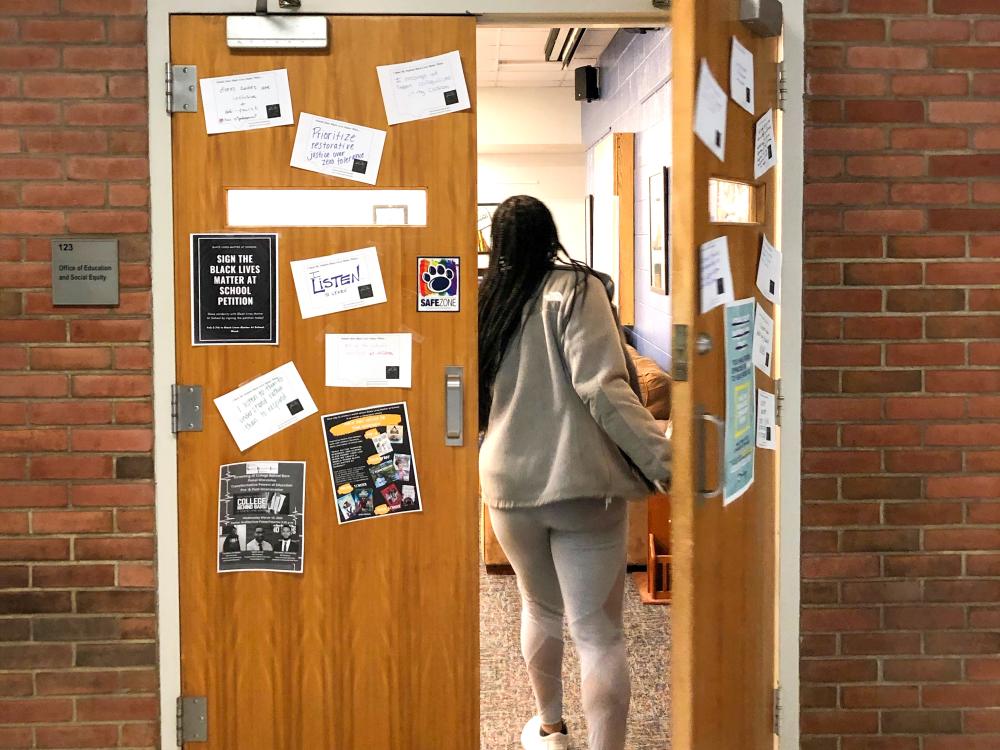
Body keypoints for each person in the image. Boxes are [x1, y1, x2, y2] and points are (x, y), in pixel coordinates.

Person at [478, 195, 671, 750]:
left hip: (508, 486)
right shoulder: (578, 289)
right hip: (582, 483)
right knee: (598, 633)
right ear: (550, 236)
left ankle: (550, 729)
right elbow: (603, 388)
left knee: (537, 607)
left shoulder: (487, 301)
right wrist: (665, 463)